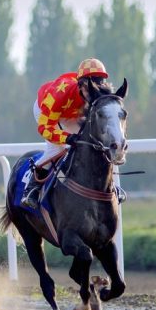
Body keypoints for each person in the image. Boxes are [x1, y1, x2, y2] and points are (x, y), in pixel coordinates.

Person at [20, 57, 114, 210]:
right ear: (81, 85)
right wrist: (67, 137)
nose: (93, 93)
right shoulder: (59, 96)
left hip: (72, 112)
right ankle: (31, 189)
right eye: (89, 88)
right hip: (47, 111)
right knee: (57, 149)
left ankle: (109, 186)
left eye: (97, 86)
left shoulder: (96, 96)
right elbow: (45, 128)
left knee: (91, 144)